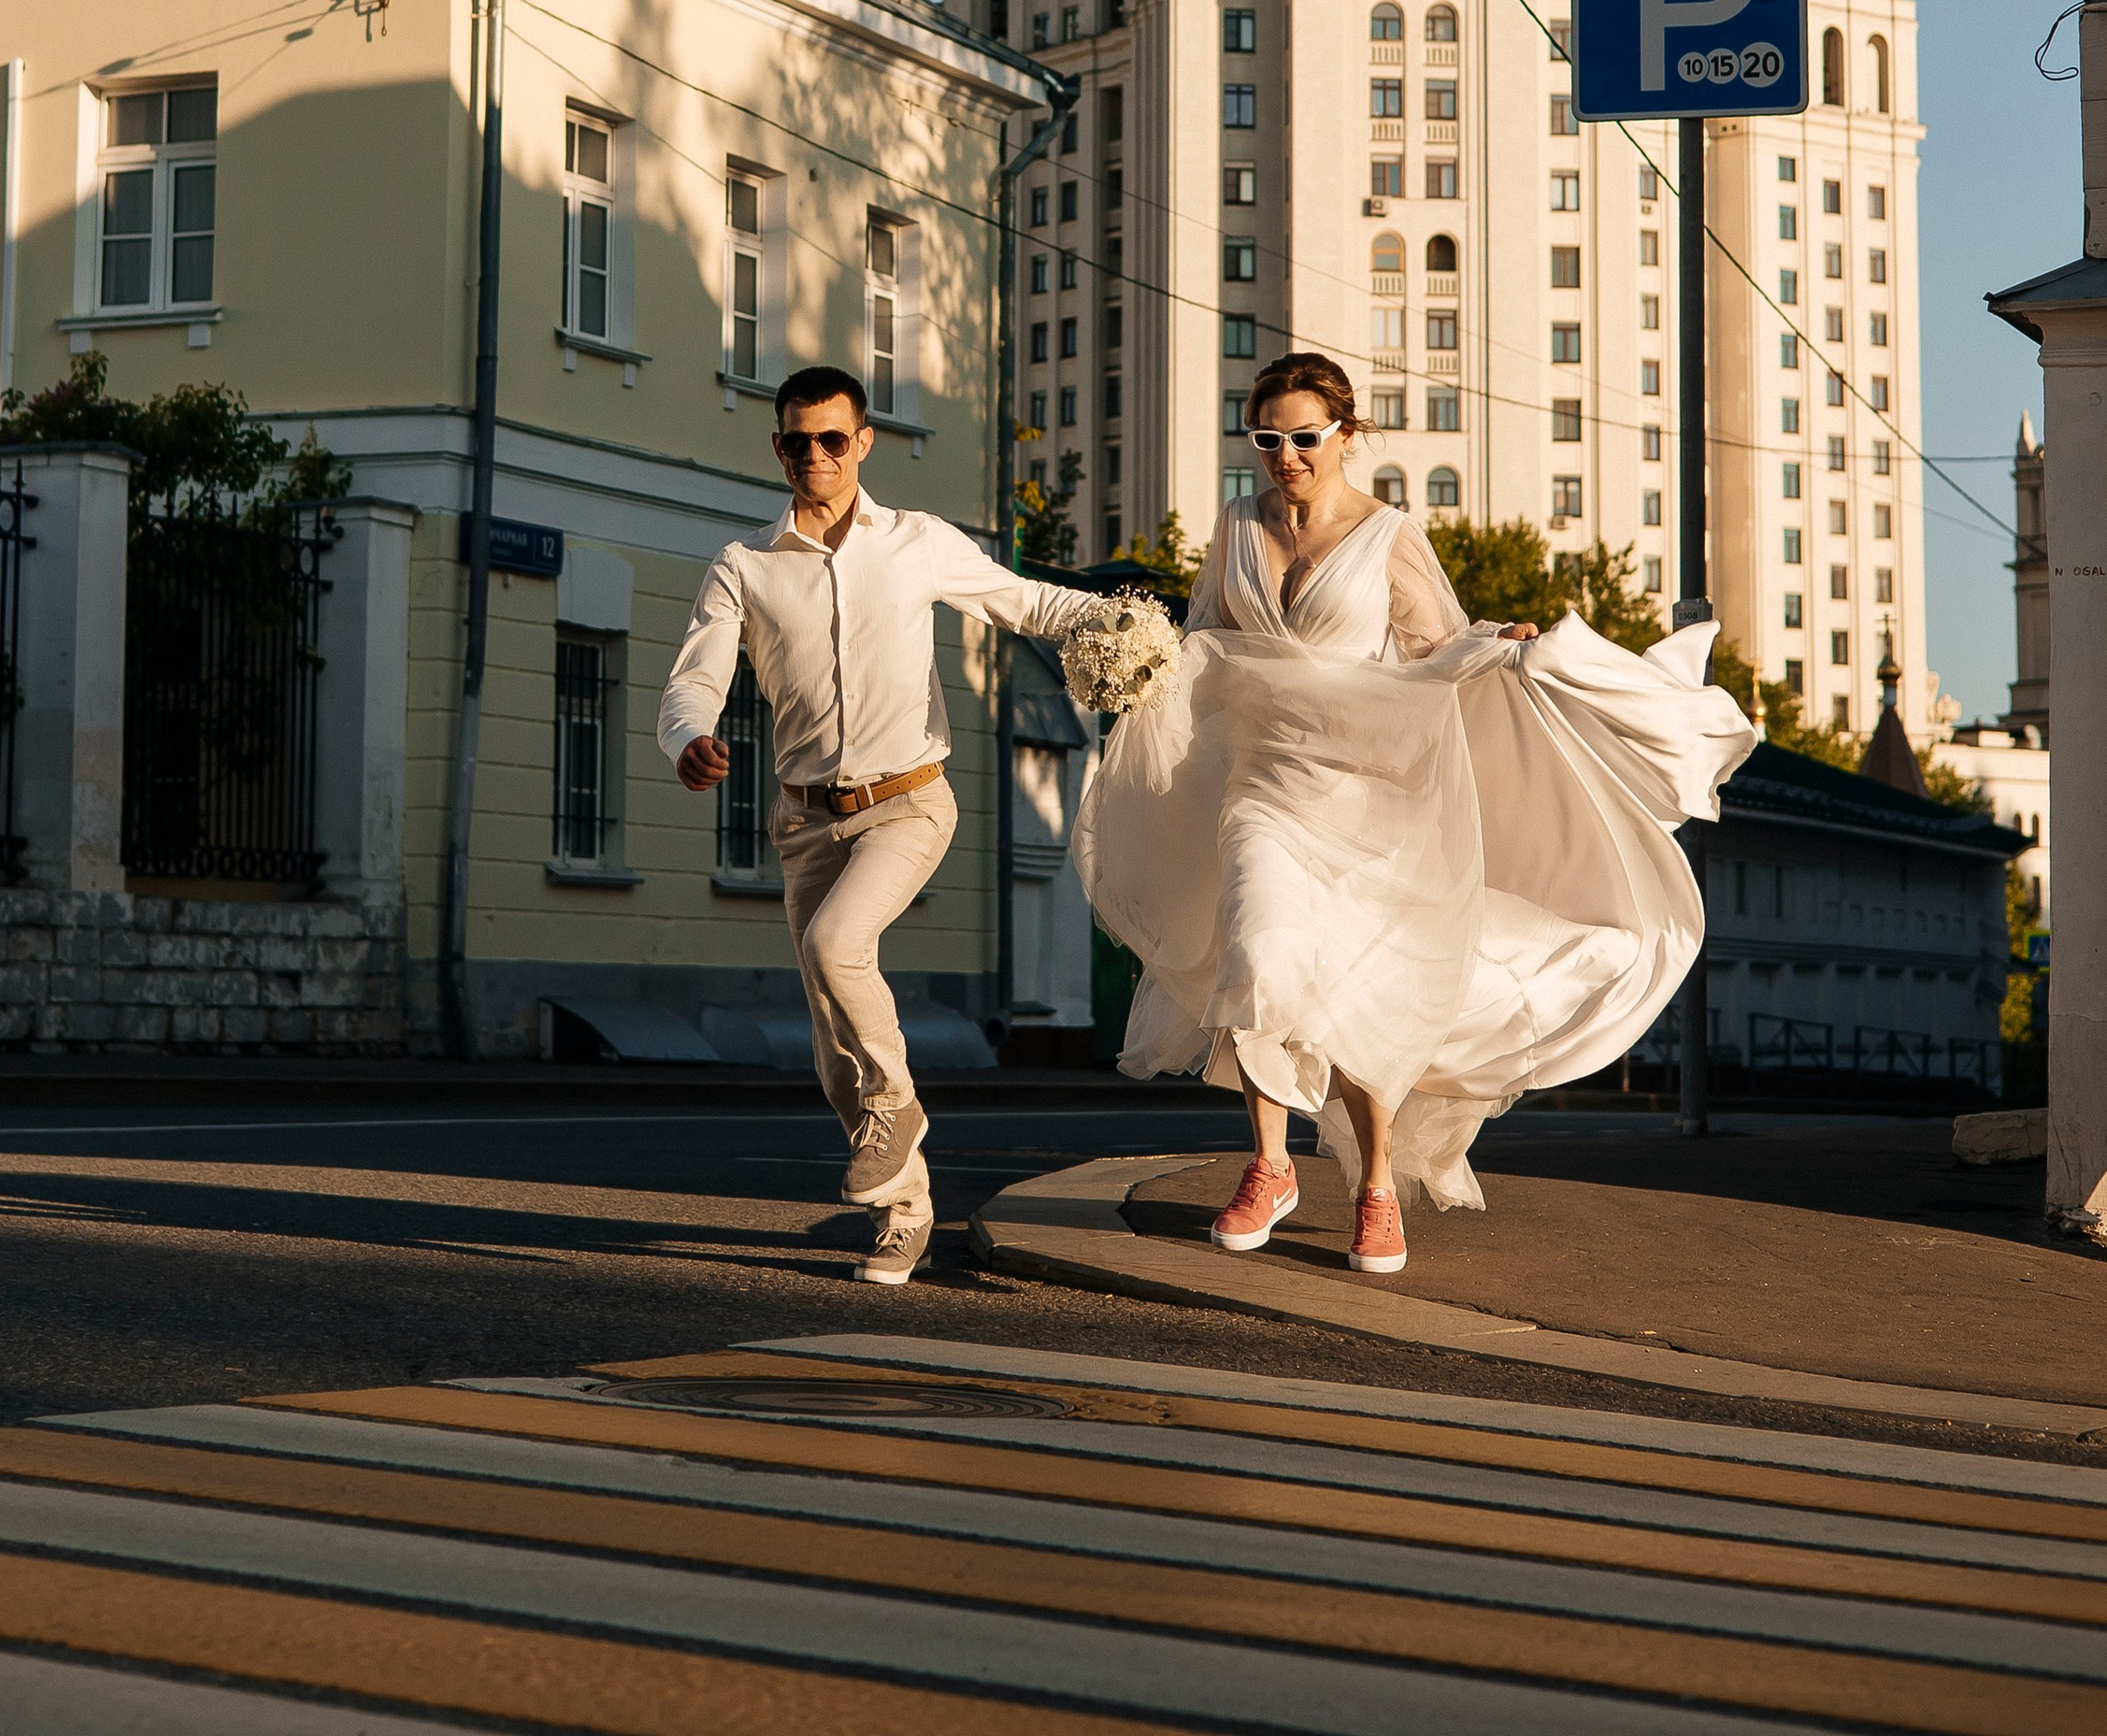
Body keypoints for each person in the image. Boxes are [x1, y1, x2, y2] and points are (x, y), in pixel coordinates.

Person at [1073, 352, 1753, 1276]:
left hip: (1365, 792)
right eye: (1266, 438)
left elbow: (1432, 646)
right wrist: (1142, 665)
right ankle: (1270, 1166)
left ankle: (1376, 1186)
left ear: (1346, 436)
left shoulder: (1386, 533)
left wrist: (1496, 647)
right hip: (1263, 787)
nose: (1286, 455)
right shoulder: (1235, 525)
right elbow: (1208, 644)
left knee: (1361, 994)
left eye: (1304, 437)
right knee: (1256, 955)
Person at [659, 366, 1094, 1284]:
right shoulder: (746, 563)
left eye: (829, 439)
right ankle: (907, 1208)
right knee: (830, 1047)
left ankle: (898, 1114)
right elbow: (694, 676)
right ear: (776, 446)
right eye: (793, 441)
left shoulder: (915, 542)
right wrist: (689, 737)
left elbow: (1025, 602)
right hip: (805, 821)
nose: (811, 456)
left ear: (862, 442)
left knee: (835, 943)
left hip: (907, 801)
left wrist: (1131, 625)